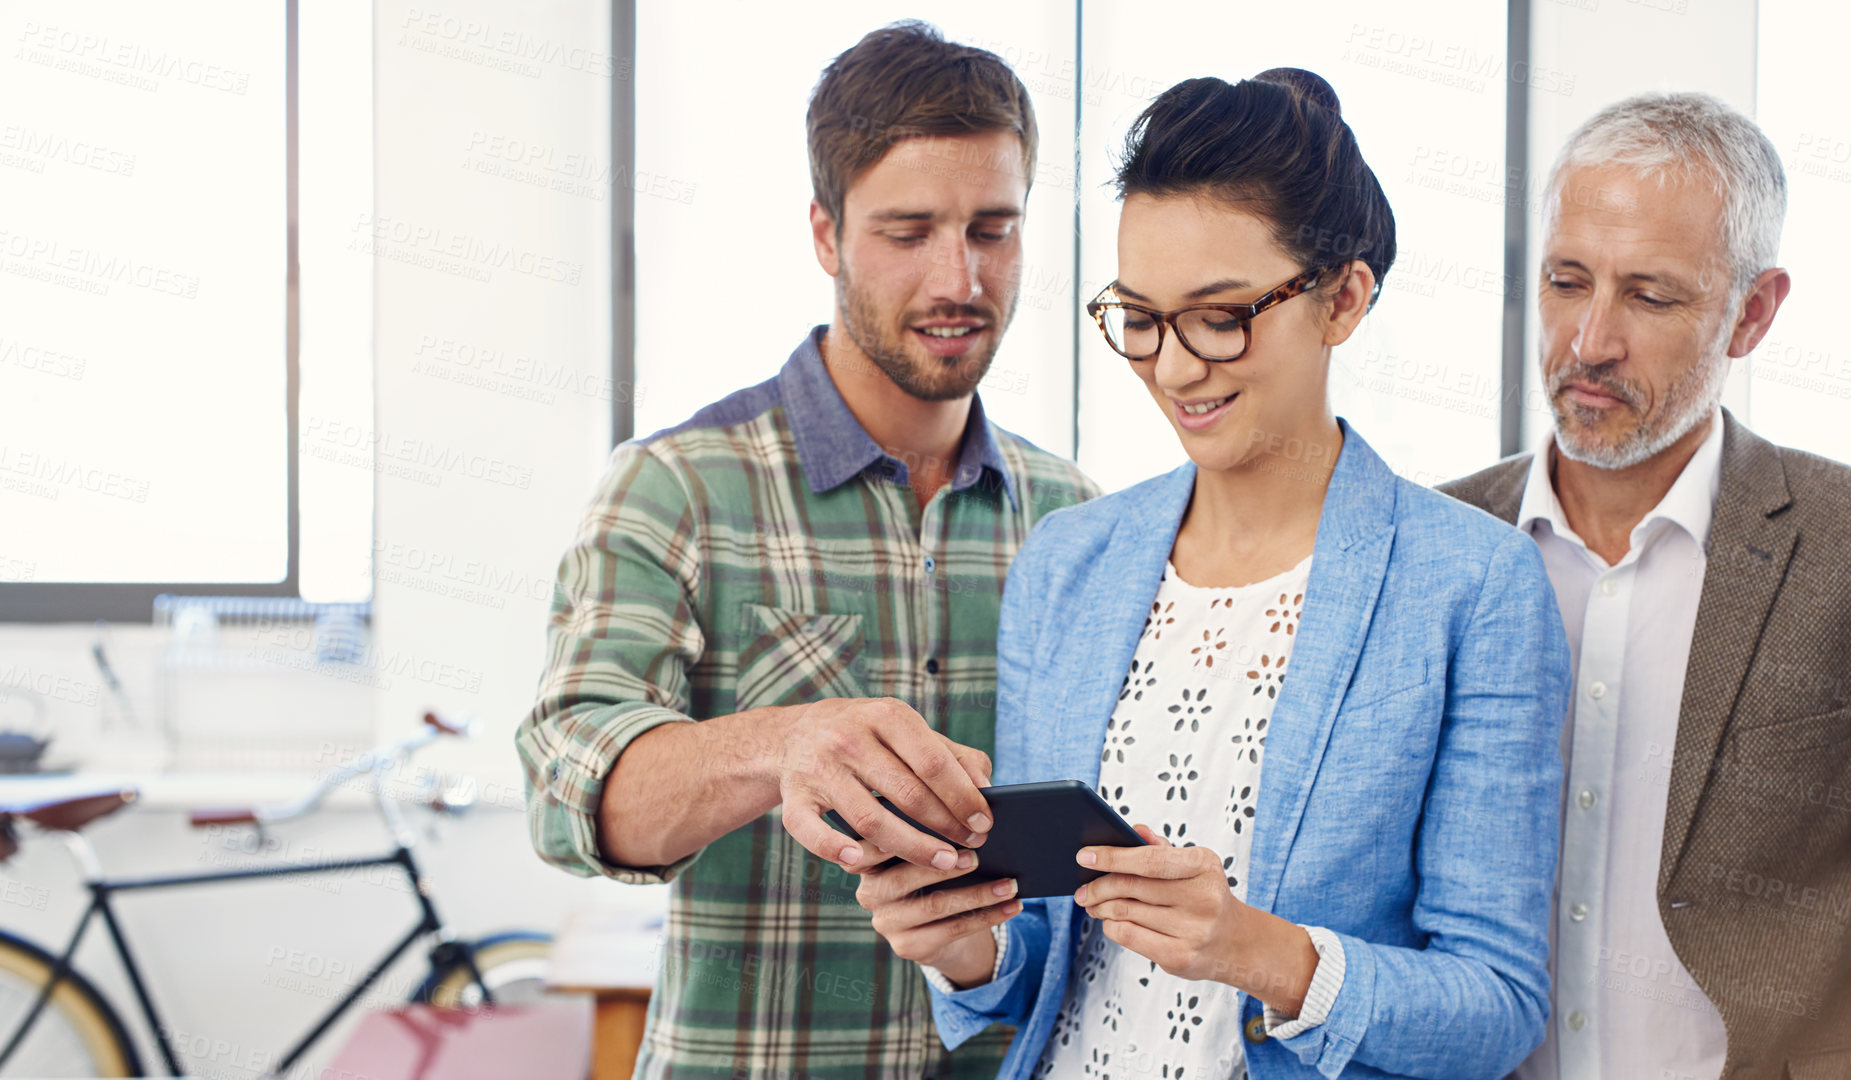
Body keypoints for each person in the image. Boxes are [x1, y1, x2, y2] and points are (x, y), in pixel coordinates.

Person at [857, 69, 1573, 1079]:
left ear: (1345, 298)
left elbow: (1496, 1008)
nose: (1178, 366)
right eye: (1141, 318)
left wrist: (1259, 952)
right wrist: (956, 941)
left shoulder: (1474, 585)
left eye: (1222, 314)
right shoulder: (1069, 562)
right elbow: (1032, 965)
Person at [514, 22, 1099, 1080]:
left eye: (993, 229)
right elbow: (565, 792)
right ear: (826, 235)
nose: (958, 278)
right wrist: (784, 742)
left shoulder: (1075, 521)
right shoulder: (679, 487)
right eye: (908, 231)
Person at [1441, 92, 1851, 1079]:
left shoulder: (1840, 544)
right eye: (1566, 281)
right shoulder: (1436, 543)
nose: (1588, 342)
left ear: (1751, 313)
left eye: (1650, 296)